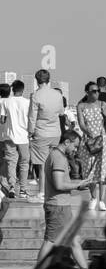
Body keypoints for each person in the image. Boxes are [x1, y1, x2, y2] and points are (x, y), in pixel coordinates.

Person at [37, 127, 90, 261]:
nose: (75, 150)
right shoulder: (58, 158)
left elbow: (62, 181)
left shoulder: (56, 155)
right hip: (58, 206)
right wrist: (78, 185)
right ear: (67, 142)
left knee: (73, 240)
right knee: (51, 241)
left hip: (60, 205)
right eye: (75, 146)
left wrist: (80, 183)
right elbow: (59, 184)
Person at [74, 81, 106, 213]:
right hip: (89, 140)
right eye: (93, 91)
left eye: (97, 90)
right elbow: (81, 123)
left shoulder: (103, 104)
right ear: (87, 92)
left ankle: (102, 200)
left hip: (104, 140)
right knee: (89, 168)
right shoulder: (81, 106)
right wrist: (89, 133)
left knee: (103, 169)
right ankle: (93, 197)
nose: (96, 93)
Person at [27, 69, 64, 201]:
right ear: (48, 79)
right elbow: (61, 112)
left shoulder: (36, 95)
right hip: (55, 132)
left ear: (37, 80)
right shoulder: (57, 94)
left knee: (42, 164)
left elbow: (32, 117)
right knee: (53, 163)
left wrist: (30, 132)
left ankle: (42, 193)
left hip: (41, 132)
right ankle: (53, 189)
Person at [0, 81, 32, 200]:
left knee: (11, 162)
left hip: (9, 136)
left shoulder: (6, 101)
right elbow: (30, 119)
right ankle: (23, 190)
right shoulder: (28, 102)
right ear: (23, 90)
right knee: (24, 163)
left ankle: (12, 187)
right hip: (23, 137)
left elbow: (2, 120)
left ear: (12, 89)